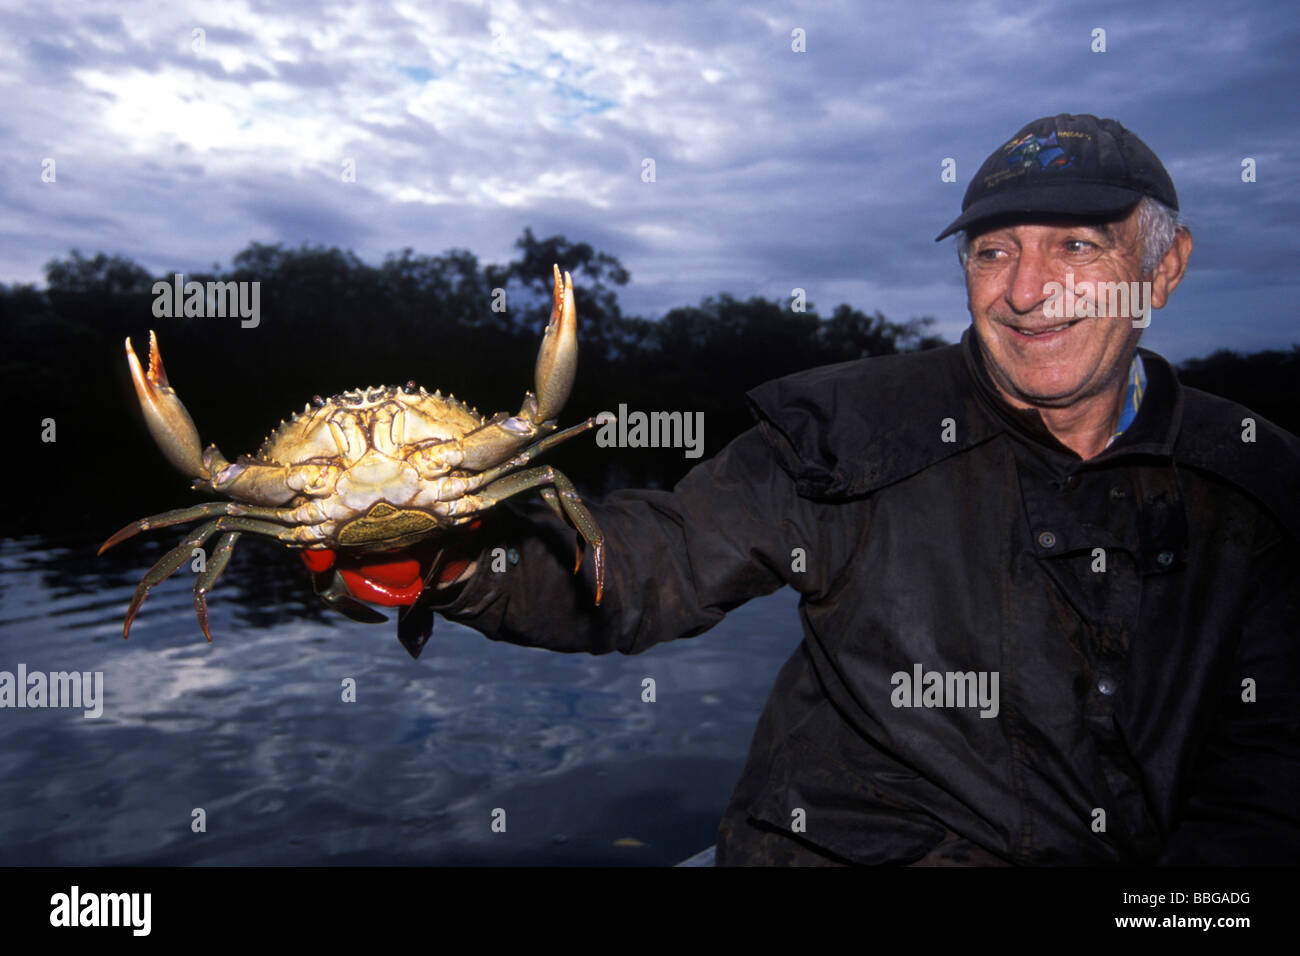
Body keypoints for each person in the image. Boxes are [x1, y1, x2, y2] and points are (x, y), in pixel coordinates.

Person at [423, 114, 1300, 865]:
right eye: (994, 251)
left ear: (1166, 266)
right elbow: (653, 564)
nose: (1029, 291)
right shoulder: (845, 432)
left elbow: (1264, 767)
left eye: (1076, 245)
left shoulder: (1257, 481)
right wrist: (454, 555)